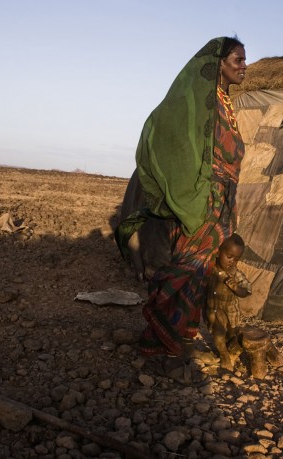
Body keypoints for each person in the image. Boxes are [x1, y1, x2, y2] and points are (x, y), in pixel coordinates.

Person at [115, 36, 247, 384]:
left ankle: (175, 342)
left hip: (220, 206)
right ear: (219, 63)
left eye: (244, 60)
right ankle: (165, 347)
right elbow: (165, 136)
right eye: (237, 60)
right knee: (185, 273)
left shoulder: (224, 105)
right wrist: (190, 192)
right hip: (200, 205)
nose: (244, 66)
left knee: (197, 276)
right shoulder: (197, 104)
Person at [205, 234, 252, 371]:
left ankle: (231, 348)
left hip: (230, 312)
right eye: (229, 256)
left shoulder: (235, 274)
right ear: (218, 252)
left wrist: (237, 288)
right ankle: (224, 355)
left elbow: (248, 290)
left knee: (232, 334)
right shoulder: (209, 268)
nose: (232, 261)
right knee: (218, 333)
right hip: (213, 310)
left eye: (236, 259)